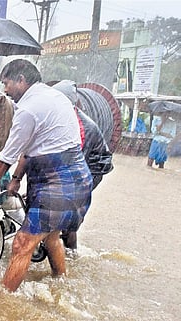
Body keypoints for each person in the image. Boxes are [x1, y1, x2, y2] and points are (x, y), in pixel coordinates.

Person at [0, 59, 93, 292]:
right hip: (78, 180)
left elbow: (6, 157)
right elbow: (34, 147)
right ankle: (60, 287)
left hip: (57, 185)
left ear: (21, 80)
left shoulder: (28, 109)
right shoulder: (54, 97)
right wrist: (16, 179)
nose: (5, 90)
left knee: (22, 243)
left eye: (7, 83)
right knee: (51, 237)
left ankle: (2, 303)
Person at [52, 80, 114, 250]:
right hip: (78, 167)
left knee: (69, 217)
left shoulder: (83, 126)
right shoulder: (59, 117)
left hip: (92, 170)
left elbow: (75, 164)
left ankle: (71, 256)